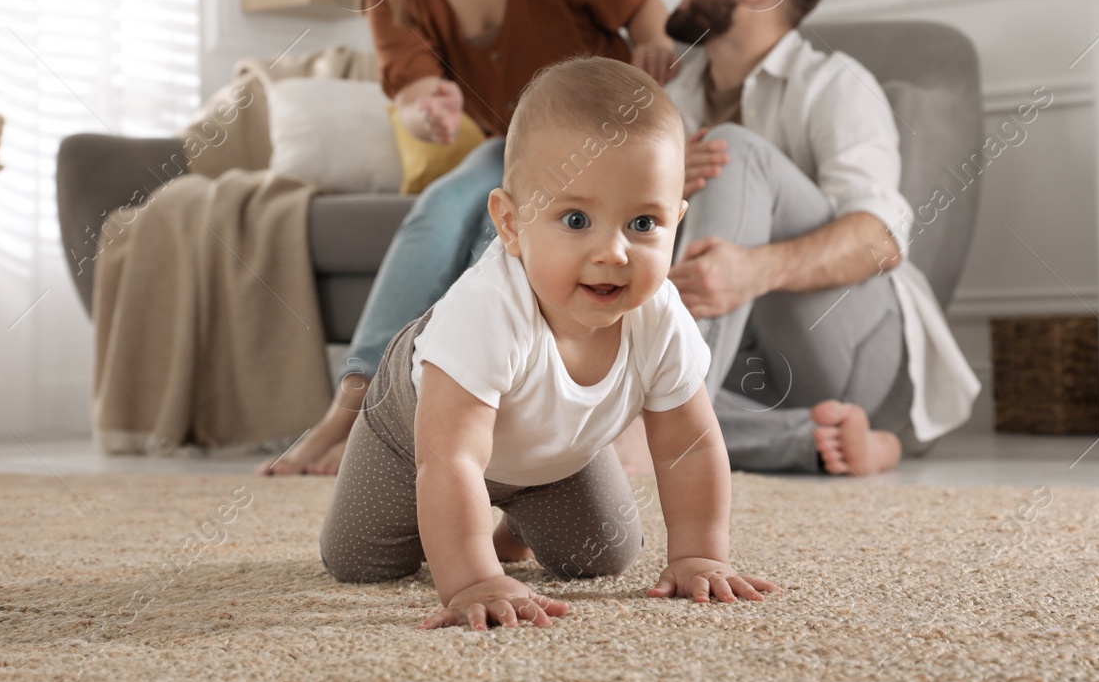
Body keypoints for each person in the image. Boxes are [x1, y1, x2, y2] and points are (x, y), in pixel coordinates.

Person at [259, 0, 677, 475]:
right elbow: (415, 81)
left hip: (603, 147)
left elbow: (641, 1)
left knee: (500, 236)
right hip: (514, 149)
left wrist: (658, 42)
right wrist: (428, 109)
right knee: (437, 210)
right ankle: (355, 405)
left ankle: (477, 420)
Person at [319, 58, 775, 628]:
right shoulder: (485, 311)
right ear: (510, 225)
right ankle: (467, 532)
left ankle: (516, 519)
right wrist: (472, 581)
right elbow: (451, 459)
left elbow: (691, 445)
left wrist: (699, 554)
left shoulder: (659, 317)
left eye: (643, 224)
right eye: (577, 220)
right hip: (417, 435)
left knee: (603, 557)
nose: (614, 253)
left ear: (677, 222)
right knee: (361, 562)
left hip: (550, 457)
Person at [635, 0, 979, 476]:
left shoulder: (835, 85)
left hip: (851, 346)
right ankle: (807, 439)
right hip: (748, 370)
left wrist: (753, 271)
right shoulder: (671, 97)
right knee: (597, 380)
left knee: (736, 150)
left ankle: (659, 418)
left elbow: (880, 240)